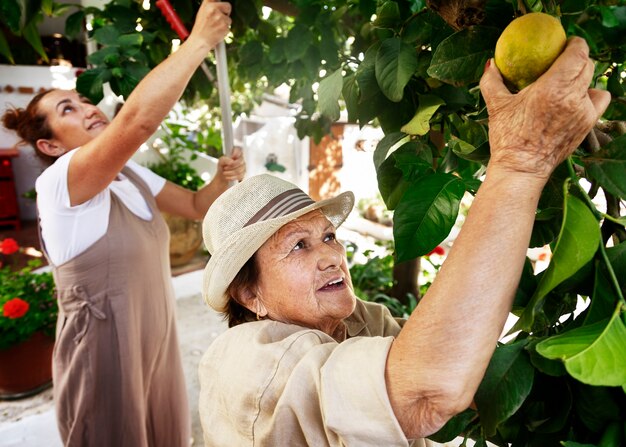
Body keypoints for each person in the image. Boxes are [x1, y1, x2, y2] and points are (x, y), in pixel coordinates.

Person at [196, 36, 610, 447]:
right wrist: (521, 161)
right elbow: (427, 394)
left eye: (328, 236)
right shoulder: (247, 361)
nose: (331, 257)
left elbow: (454, 356)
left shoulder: (360, 320)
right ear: (250, 294)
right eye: (299, 246)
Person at [1, 1, 242, 446]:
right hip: (103, 351)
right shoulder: (60, 183)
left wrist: (220, 179)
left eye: (84, 99)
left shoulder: (128, 173)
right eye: (67, 110)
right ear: (49, 145)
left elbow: (195, 204)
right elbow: (136, 121)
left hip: (157, 336)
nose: (88, 107)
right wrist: (199, 42)